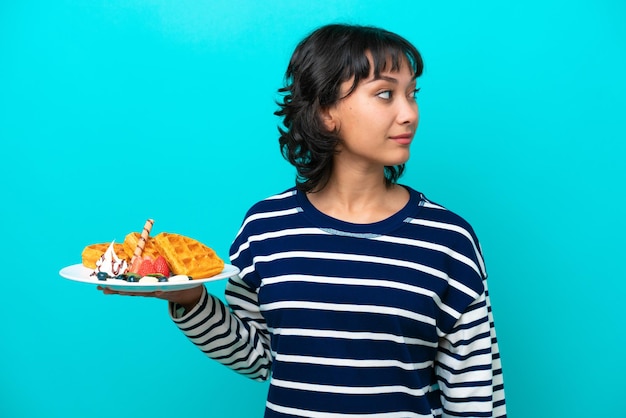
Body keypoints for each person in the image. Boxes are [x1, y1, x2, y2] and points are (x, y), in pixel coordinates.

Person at [102, 23, 507, 418]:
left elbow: (475, 395)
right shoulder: (265, 226)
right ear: (327, 111)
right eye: (385, 94)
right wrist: (189, 299)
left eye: (412, 95)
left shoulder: (449, 239)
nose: (409, 114)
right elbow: (257, 357)